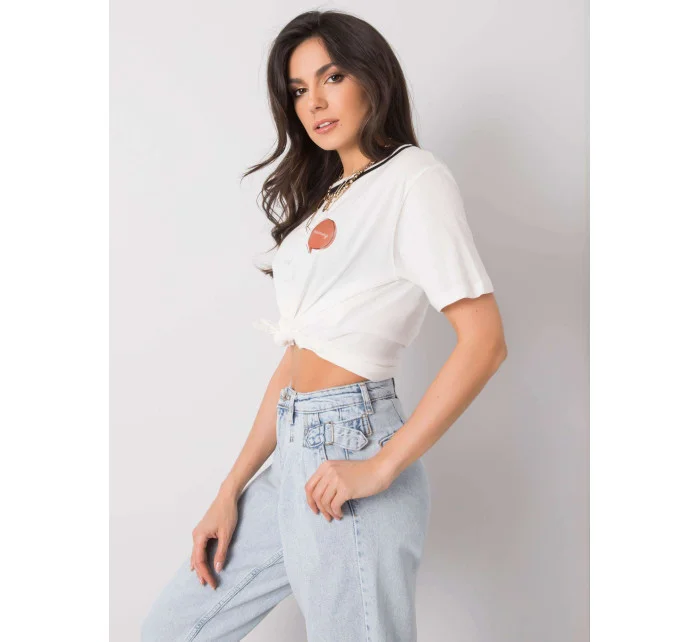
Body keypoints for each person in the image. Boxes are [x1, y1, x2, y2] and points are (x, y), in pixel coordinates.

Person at [141, 9, 507, 642]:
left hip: (354, 444)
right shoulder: (328, 196)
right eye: (299, 89)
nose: (314, 102)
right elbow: (297, 358)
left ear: (372, 77)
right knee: (171, 629)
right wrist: (231, 487)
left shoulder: (414, 180)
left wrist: (381, 468)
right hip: (293, 451)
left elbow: (485, 342)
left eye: (332, 77)